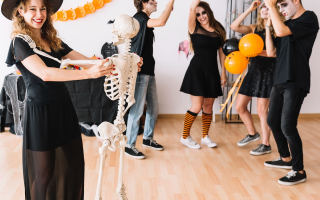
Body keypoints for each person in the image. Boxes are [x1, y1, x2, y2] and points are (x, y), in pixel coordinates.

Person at [1, 0, 142, 198]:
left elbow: (88, 62)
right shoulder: (20, 42)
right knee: (43, 173)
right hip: (41, 114)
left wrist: (126, 62)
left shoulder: (52, 39)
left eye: (42, 8)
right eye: (32, 9)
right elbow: (45, 73)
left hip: (63, 109)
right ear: (20, 11)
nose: (39, 14)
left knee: (73, 165)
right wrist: (89, 74)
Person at [264, 0, 319, 185]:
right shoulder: (285, 25)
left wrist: (271, 6)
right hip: (279, 79)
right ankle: (285, 158)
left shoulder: (309, 18)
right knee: (272, 120)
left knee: (287, 125)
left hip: (296, 80)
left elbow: (281, 32)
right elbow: (271, 52)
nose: (281, 9)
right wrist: (267, 27)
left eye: (284, 5)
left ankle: (299, 170)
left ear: (296, 0)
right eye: (279, 6)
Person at [230, 1, 283, 155]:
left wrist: (254, 52)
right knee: (239, 107)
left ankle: (266, 145)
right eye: (263, 7)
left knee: (262, 111)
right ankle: (253, 134)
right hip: (253, 71)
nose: (264, 10)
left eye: (268, 7)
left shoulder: (279, 30)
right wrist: (250, 9)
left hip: (269, 72)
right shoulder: (254, 28)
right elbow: (234, 26)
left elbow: (273, 53)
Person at [125, 0, 176, 159]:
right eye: (152, 0)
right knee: (137, 109)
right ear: (143, 3)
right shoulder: (139, 18)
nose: (156, 2)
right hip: (140, 71)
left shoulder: (144, 20)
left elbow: (159, 21)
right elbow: (161, 21)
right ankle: (129, 146)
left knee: (153, 107)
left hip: (148, 70)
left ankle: (147, 138)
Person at [180, 0, 227, 149]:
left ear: (209, 12)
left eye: (203, 13)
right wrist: (194, 8)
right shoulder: (194, 27)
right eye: (198, 14)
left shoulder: (218, 29)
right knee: (197, 106)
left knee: (208, 106)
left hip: (212, 71)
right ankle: (185, 137)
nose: (201, 16)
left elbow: (221, 53)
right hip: (197, 71)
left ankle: (205, 137)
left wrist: (223, 73)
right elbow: (192, 7)